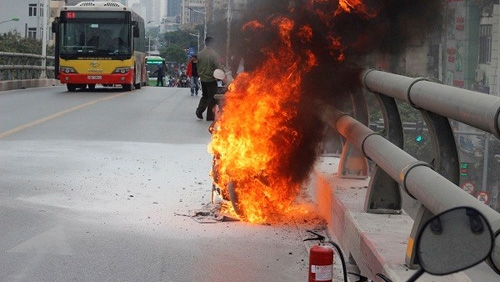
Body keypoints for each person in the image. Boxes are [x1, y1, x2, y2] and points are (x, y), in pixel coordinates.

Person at [195, 37, 223, 121]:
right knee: (212, 98)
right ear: (212, 44)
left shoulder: (200, 54)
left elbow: (197, 66)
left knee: (205, 96)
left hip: (203, 79)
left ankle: (199, 111)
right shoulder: (214, 55)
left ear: (205, 43)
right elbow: (218, 67)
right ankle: (210, 116)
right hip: (211, 79)